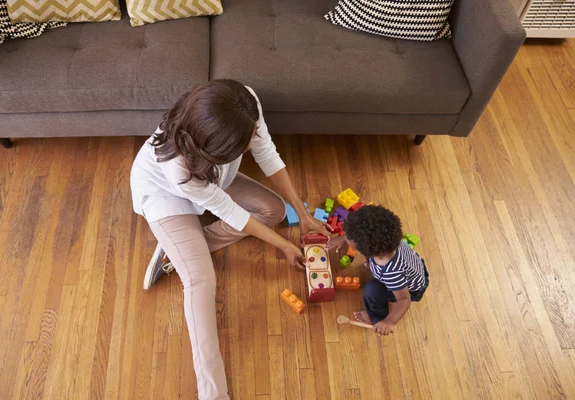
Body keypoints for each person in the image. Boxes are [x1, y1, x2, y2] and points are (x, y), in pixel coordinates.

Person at [129, 79, 329, 399]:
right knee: (201, 281)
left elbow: (267, 153)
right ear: (216, 148)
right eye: (242, 144)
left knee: (273, 211)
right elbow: (230, 212)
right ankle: (212, 392)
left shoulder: (243, 102)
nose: (250, 145)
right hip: (167, 196)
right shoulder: (177, 167)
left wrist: (302, 214)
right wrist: (284, 245)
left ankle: (177, 250)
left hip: (215, 180)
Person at [327, 205, 429, 336]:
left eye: (350, 242)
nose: (346, 239)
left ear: (369, 252)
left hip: (410, 289)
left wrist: (389, 322)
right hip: (416, 269)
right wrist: (346, 239)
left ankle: (375, 317)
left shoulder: (392, 273)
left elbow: (404, 300)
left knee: (372, 290)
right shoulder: (390, 242)